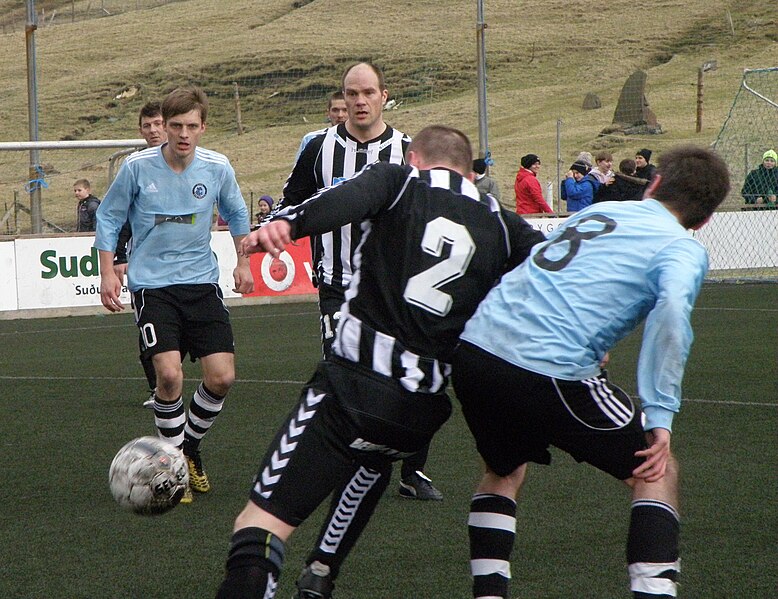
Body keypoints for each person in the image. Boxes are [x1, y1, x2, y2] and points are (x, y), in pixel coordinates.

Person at [214, 125, 545, 599]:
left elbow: (346, 199)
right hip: (418, 414)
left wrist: (289, 224)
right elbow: (554, 270)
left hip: (353, 387)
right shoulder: (501, 222)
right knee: (371, 456)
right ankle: (322, 573)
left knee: (259, 524)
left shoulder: (399, 180)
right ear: (469, 169)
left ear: (416, 157)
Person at [450, 145, 731, 599]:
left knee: (503, 468)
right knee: (654, 471)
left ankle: (488, 594)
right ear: (703, 221)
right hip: (548, 368)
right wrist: (660, 416)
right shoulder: (681, 246)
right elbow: (673, 315)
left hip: (477, 351)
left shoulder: (595, 214)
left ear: (653, 185)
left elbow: (541, 270)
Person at [279, 62, 442, 506]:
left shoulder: (409, 151)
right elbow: (292, 202)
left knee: (414, 377)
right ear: (343, 98)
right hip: (336, 283)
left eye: (368, 92)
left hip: (395, 288)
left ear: (384, 95)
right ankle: (341, 463)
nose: (360, 101)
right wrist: (274, 229)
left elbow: (428, 213)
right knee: (343, 375)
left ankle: (413, 471)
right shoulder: (318, 148)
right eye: (352, 93)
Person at [94, 86, 254, 504]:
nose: (183, 134)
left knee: (222, 377)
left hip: (201, 283)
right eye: (175, 125)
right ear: (163, 127)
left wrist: (243, 261)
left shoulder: (217, 167)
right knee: (169, 375)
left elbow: (237, 213)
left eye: (191, 126)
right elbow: (108, 217)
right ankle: (173, 466)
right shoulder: (136, 167)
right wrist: (107, 271)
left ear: (203, 127)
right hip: (152, 285)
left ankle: (188, 450)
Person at [111, 101, 170, 409]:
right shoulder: (134, 166)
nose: (153, 130)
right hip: (143, 263)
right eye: (147, 125)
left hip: (186, 260)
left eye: (157, 123)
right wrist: (118, 255)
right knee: (148, 324)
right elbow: (118, 215)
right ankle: (156, 388)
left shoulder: (188, 160)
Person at [294, 91, 349, 162]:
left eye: (345, 110)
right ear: (328, 113)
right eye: (335, 110)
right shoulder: (311, 139)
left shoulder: (362, 142)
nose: (340, 115)